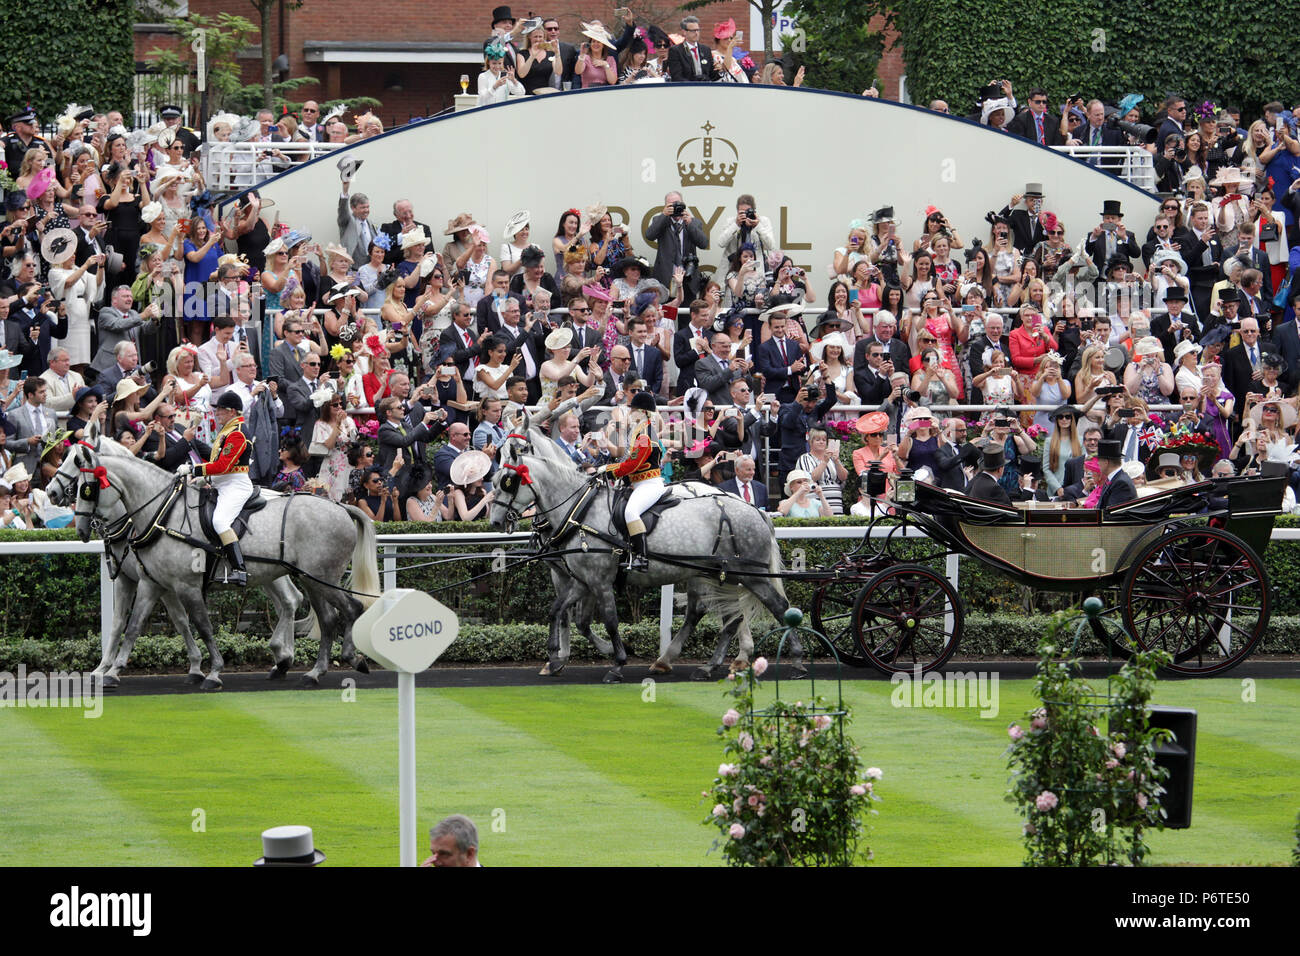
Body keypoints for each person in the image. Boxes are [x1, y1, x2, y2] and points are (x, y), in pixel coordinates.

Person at [176, 391, 252, 585]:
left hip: (235, 485)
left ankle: (239, 569)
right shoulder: (228, 430)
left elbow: (223, 466)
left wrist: (194, 469)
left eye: (220, 410)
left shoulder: (237, 433)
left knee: (220, 521)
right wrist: (204, 478)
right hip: (223, 482)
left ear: (232, 411)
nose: (217, 413)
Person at [596, 391, 663, 571]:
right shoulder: (638, 431)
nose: (630, 413)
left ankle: (642, 557)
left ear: (642, 412)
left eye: (632, 410)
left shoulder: (645, 435)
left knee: (631, 512)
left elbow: (632, 464)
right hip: (638, 483)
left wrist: (607, 471)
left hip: (649, 484)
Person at [1097, 438, 1137, 508]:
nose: (1098, 463)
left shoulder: (1121, 483)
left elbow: (1111, 513)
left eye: (1099, 460)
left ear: (1106, 462)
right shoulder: (1114, 479)